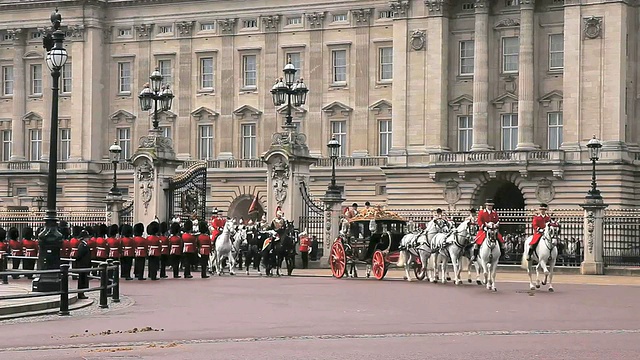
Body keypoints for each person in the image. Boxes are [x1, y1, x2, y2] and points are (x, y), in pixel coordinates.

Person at [75, 230, 92, 299]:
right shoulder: (82, 245)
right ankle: (80, 293)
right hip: (82, 265)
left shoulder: (84, 245)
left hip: (84, 265)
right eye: (87, 237)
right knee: (82, 280)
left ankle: (82, 293)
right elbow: (79, 256)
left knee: (83, 280)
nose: (88, 238)